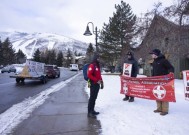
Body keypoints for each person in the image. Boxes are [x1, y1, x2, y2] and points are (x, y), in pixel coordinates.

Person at [149, 49, 174, 116]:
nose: (151, 55)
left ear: (156, 54)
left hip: (164, 81)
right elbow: (154, 71)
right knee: (157, 93)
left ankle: (165, 110)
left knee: (164, 94)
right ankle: (159, 108)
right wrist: (152, 78)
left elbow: (171, 68)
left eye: (152, 54)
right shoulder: (154, 62)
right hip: (156, 81)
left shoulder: (164, 61)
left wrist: (170, 73)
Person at [87, 53, 104, 118]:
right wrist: (97, 80)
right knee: (92, 98)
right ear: (95, 58)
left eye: (99, 58)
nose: (99, 59)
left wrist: (102, 82)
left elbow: (99, 75)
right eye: (98, 58)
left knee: (94, 98)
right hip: (93, 84)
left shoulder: (97, 66)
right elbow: (89, 75)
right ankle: (89, 112)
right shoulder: (92, 65)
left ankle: (92, 110)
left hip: (97, 84)